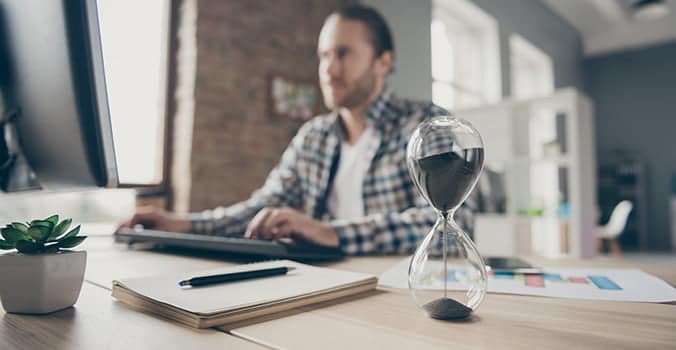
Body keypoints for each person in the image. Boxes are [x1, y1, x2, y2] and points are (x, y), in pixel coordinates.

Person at [118, 4, 475, 255]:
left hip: (398, 295)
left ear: (384, 62)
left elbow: (452, 223)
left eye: (344, 54)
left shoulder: (427, 127)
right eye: (323, 56)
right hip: (321, 289)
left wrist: (330, 232)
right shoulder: (313, 137)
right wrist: (182, 224)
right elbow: (261, 208)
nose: (329, 70)